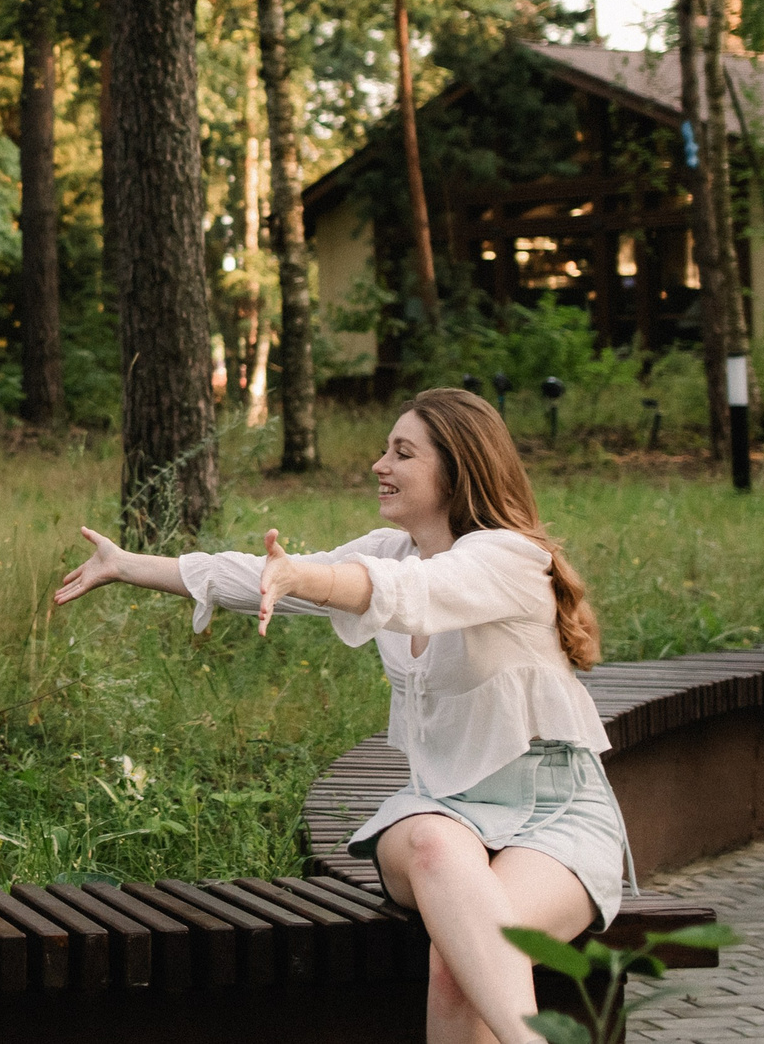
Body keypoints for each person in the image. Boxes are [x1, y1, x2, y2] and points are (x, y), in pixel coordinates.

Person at [54, 388, 627, 1044]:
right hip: (445, 814)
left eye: (402, 452)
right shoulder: (390, 550)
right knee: (434, 841)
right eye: (385, 448)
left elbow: (413, 596)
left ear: (457, 468)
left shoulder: (510, 560)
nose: (380, 464)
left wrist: (304, 577)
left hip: (553, 816)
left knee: (457, 968)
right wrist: (127, 564)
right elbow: (256, 575)